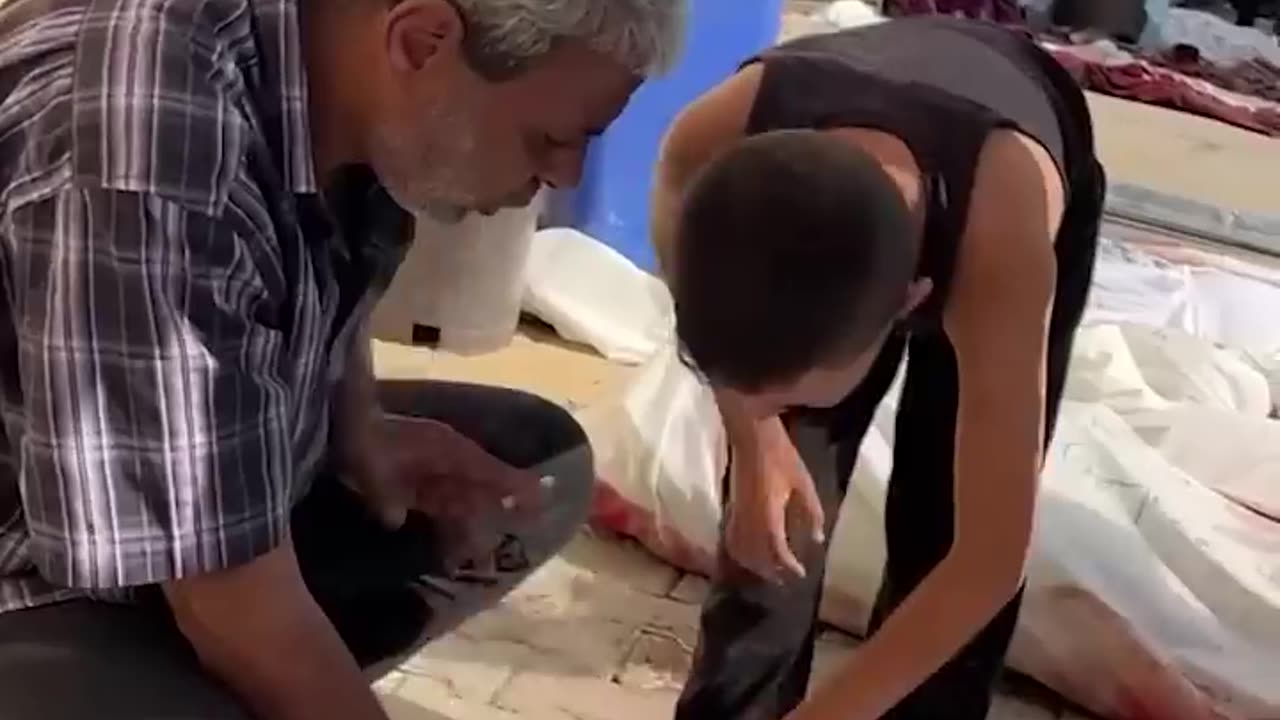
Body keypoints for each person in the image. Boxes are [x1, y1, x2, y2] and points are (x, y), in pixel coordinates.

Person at [0, 0, 683, 718]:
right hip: (35, 570)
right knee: (240, 637)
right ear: (422, 40)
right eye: (547, 138)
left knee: (537, 467)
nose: (565, 176)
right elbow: (218, 582)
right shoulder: (145, 143)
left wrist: (360, 431)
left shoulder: (340, 66)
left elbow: (321, 251)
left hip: (175, 519)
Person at [651, 15, 1104, 720]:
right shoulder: (710, 144)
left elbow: (986, 563)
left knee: (942, 522)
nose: (767, 406)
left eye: (786, 394)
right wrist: (753, 438)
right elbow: (723, 341)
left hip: (1003, 148)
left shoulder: (1003, 247)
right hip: (842, 148)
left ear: (911, 303)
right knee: (771, 532)